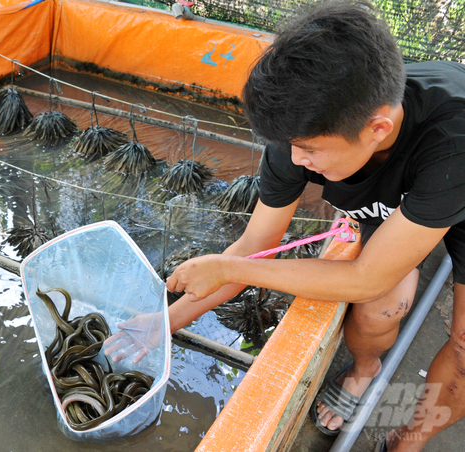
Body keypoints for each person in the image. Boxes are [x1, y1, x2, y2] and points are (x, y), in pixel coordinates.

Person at [104, 1, 465, 450]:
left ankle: (411, 439)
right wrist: (165, 321)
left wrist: (230, 268)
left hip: (455, 176)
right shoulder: (299, 136)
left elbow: (364, 275)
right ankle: (364, 369)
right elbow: (257, 242)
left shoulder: (454, 139)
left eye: (309, 149)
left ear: (376, 129)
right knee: (375, 310)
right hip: (409, 196)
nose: (296, 161)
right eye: (290, 145)